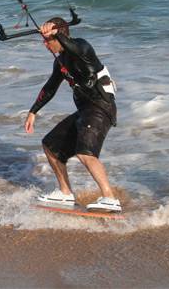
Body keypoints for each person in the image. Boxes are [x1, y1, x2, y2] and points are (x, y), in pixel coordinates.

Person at [25, 18, 123, 212]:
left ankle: (110, 198)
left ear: (60, 35)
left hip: (101, 107)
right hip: (85, 110)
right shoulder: (59, 61)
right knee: (51, 146)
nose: (45, 44)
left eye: (48, 39)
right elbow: (50, 88)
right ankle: (65, 193)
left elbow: (73, 47)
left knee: (84, 152)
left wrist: (56, 34)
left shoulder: (82, 47)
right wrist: (33, 111)